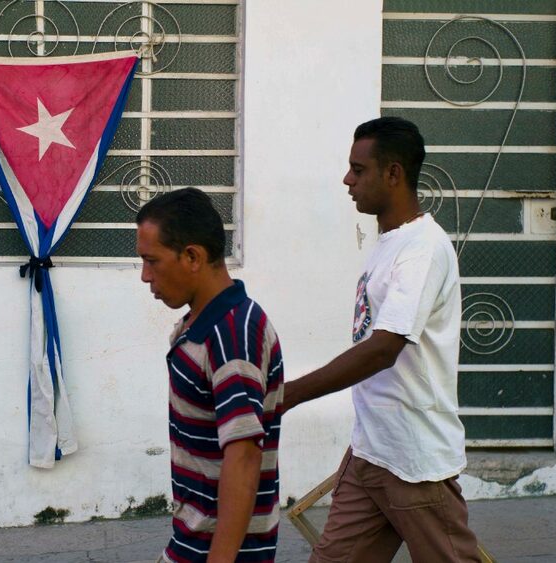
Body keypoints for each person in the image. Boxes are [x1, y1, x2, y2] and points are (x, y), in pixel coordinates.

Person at [283, 117, 481, 562]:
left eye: (359, 169)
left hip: (415, 462)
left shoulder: (422, 249)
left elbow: (384, 347)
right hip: (372, 453)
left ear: (393, 174)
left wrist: (291, 393)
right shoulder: (391, 242)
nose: (347, 179)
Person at [136, 187, 284, 563]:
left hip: (217, 549)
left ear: (192, 256)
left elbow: (244, 456)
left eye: (152, 261)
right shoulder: (203, 321)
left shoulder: (232, 335)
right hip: (191, 539)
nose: (145, 276)